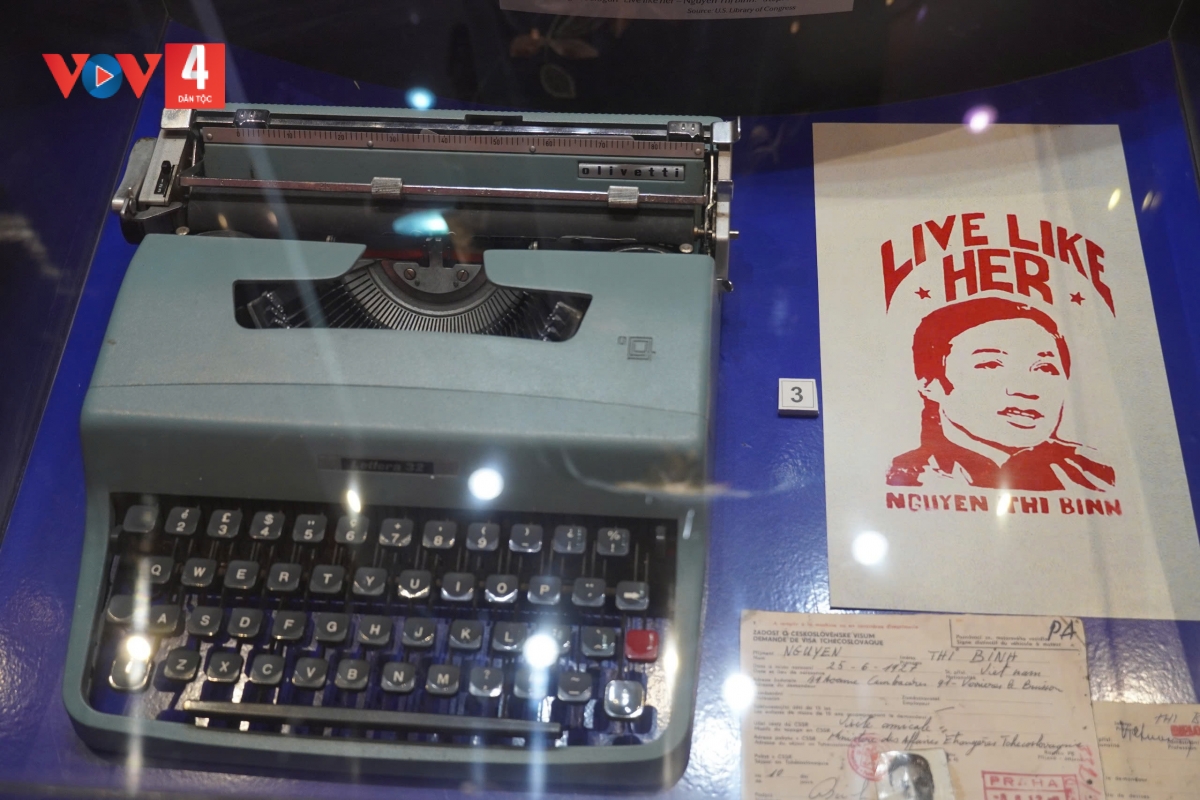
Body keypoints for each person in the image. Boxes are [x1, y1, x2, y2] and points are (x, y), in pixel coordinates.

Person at [887, 296, 1114, 491]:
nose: (1026, 390)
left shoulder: (1097, 476)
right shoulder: (904, 476)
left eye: (1045, 368)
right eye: (991, 365)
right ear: (930, 384)